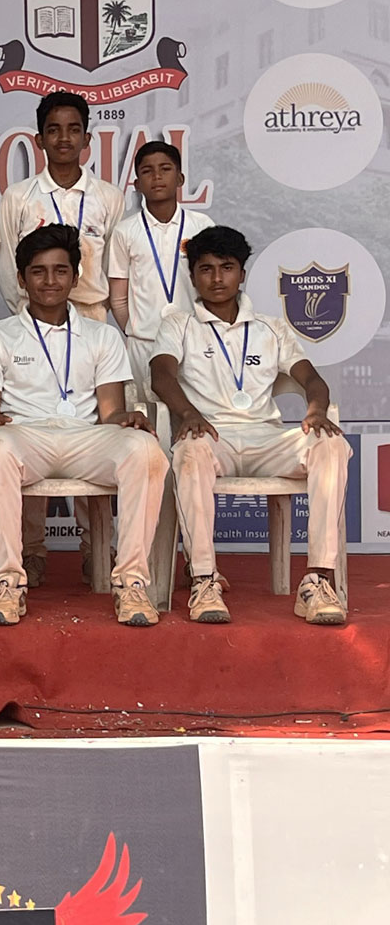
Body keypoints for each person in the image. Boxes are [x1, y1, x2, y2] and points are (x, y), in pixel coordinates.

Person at [0, 224, 169, 627]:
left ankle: (130, 582)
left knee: (146, 449)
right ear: (21, 279)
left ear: (75, 278)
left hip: (86, 438)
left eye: (60, 271)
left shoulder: (102, 336)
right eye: (38, 271)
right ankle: (8, 582)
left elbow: (110, 411)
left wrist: (125, 419)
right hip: (25, 436)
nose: (50, 281)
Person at [149, 226, 350, 625]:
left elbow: (312, 379)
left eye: (227, 267)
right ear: (192, 276)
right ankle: (204, 579)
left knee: (331, 444)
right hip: (212, 438)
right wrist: (188, 413)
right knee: (189, 450)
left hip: (266, 440)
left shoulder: (270, 328)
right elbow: (161, 375)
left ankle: (317, 581)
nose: (217, 278)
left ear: (242, 273)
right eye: (206, 269)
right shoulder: (178, 324)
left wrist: (316, 410)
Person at [0, 90, 125, 589]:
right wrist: (32, 318)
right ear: (39, 138)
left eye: (73, 129)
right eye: (54, 129)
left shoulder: (108, 197)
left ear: (87, 138)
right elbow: (9, 269)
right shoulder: (19, 197)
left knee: (96, 433)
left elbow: (115, 268)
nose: (64, 138)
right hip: (34, 321)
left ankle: (98, 548)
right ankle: (30, 551)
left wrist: (100, 322)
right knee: (29, 426)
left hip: (92, 320)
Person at [108, 139, 213, 401]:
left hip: (194, 341)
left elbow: (213, 286)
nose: (156, 176)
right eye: (147, 171)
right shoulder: (125, 231)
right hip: (144, 343)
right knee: (147, 416)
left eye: (165, 169)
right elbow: (118, 298)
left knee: (194, 413)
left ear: (180, 178)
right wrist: (136, 330)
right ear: (136, 184)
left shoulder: (201, 226)